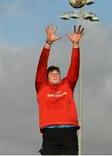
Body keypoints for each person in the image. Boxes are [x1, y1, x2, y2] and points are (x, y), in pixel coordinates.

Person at [35, 24, 84, 155]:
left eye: (57, 73)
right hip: (50, 132)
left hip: (69, 131)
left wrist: (75, 45)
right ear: (46, 77)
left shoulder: (67, 85)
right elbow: (41, 66)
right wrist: (48, 43)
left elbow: (74, 68)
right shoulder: (42, 86)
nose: (55, 74)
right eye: (51, 73)